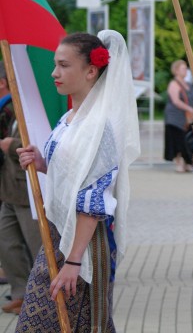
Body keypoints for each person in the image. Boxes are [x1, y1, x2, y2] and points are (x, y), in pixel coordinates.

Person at [15, 31, 140, 331]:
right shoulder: (72, 118)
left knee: (72, 322)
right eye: (56, 65)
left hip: (82, 243)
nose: (54, 73)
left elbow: (94, 197)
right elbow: (72, 173)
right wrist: (42, 163)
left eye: (63, 65)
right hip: (60, 236)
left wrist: (73, 262)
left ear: (90, 70)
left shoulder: (101, 126)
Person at [0, 61, 43, 315]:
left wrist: (11, 144)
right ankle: (20, 292)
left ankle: (41, 296)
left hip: (27, 190)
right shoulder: (14, 108)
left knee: (36, 244)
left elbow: (38, 143)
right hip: (9, 190)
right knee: (7, 242)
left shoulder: (31, 109)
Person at [164, 59, 193, 173]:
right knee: (177, 139)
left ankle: (186, 161)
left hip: (186, 117)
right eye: (183, 68)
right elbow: (176, 101)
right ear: (176, 70)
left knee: (185, 139)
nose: (186, 71)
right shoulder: (174, 83)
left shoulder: (188, 84)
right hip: (175, 117)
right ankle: (179, 162)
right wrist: (190, 109)